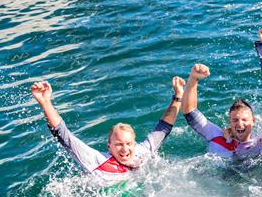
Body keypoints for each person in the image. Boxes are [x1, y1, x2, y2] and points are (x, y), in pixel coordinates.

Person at [30, 78, 182, 184]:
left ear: (134, 143)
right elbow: (63, 135)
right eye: (118, 144)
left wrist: (178, 96)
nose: (125, 149)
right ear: (109, 146)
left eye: (129, 143)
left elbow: (163, 128)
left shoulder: (142, 152)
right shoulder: (96, 160)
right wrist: (45, 102)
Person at [181, 63, 262, 158]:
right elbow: (189, 112)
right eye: (235, 120)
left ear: (253, 121)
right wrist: (193, 78)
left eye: (244, 120)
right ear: (230, 122)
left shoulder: (261, 144)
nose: (240, 124)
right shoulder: (216, 136)